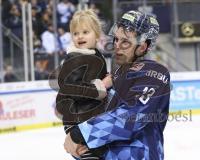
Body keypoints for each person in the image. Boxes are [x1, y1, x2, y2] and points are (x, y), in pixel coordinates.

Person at [64, 10, 171, 160]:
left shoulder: (154, 72)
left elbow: (131, 117)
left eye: (125, 42)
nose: (117, 46)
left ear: (142, 46)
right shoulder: (116, 74)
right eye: (116, 39)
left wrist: (80, 133)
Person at [55, 9, 109, 159]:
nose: (80, 36)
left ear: (97, 35)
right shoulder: (75, 59)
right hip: (79, 121)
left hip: (89, 119)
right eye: (76, 33)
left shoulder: (93, 55)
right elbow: (73, 90)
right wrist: (102, 85)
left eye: (85, 32)